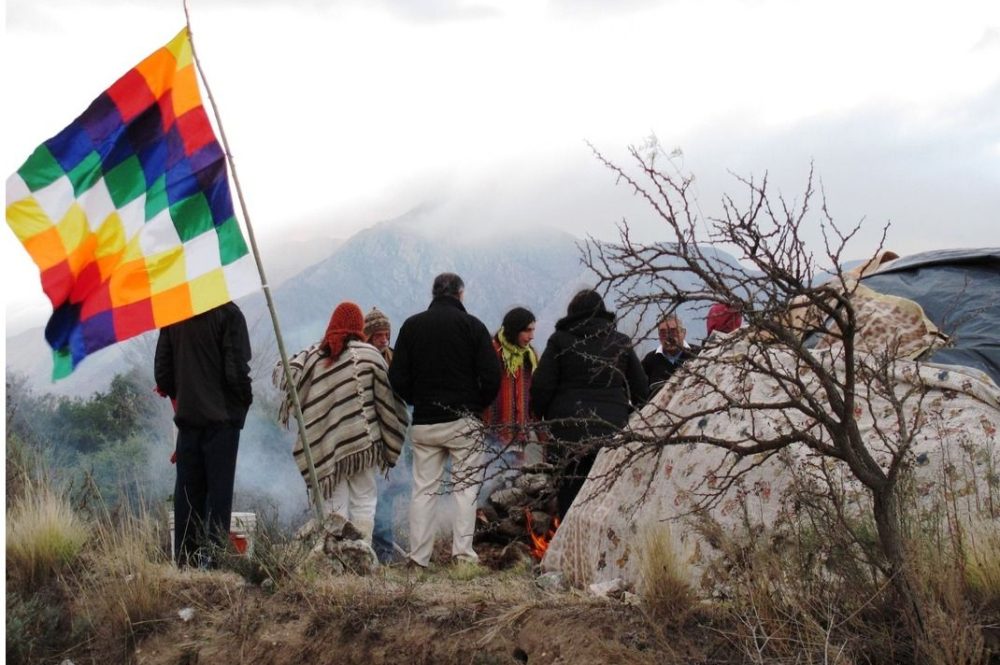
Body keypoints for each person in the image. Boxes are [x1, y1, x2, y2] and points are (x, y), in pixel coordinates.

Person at [388, 273, 502, 568]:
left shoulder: (412, 326)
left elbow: (396, 377)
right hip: (464, 421)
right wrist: (476, 404)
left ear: (434, 293)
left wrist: (418, 401)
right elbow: (492, 375)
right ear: (461, 294)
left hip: (425, 422)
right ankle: (463, 556)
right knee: (465, 489)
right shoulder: (473, 326)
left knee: (424, 490)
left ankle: (418, 558)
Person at [274, 301, 408, 543]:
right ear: (360, 327)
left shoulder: (315, 357)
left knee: (334, 502)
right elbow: (388, 403)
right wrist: (390, 431)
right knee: (365, 498)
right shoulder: (370, 356)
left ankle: (334, 556)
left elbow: (289, 377)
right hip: (363, 444)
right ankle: (361, 552)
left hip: (326, 445)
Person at [530, 289, 648, 519]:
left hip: (567, 433)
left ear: (572, 313)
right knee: (606, 495)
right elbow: (642, 389)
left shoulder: (559, 342)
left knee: (570, 495)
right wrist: (627, 415)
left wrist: (544, 417)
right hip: (612, 432)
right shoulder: (620, 342)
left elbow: (541, 387)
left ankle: (570, 549)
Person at [154, 302, 253, 567]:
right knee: (218, 498)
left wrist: (187, 394)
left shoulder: (173, 316)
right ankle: (216, 564)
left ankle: (186, 564)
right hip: (222, 423)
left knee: (188, 496)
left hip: (187, 423)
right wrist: (242, 403)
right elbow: (237, 371)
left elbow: (162, 376)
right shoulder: (229, 314)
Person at [364, 305, 410, 563]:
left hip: (392, 436)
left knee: (386, 493)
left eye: (386, 334)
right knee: (373, 493)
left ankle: (383, 547)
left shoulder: (394, 358)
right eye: (378, 335)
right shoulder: (362, 359)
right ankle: (377, 546)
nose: (383, 340)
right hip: (369, 438)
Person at [483, 307, 540, 468]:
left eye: (533, 330)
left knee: (514, 482)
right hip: (491, 433)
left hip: (519, 434)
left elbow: (533, 392)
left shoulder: (530, 356)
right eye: (527, 331)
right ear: (515, 330)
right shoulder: (492, 351)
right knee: (489, 481)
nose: (531, 336)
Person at [641, 313, 697, 392]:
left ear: (683, 333)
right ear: (659, 336)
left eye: (673, 332)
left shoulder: (698, 354)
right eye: (663, 333)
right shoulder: (650, 360)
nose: (669, 337)